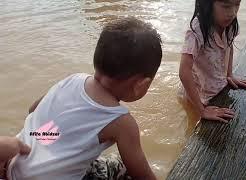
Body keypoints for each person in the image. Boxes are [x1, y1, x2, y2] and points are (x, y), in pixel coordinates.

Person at [2, 17, 162, 180]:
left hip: (12, 165)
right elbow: (142, 175)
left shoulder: (73, 79)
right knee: (120, 166)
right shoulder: (122, 123)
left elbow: (32, 109)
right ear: (141, 85)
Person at [179, 0, 246, 123]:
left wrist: (229, 75)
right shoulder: (198, 30)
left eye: (237, 5)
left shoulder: (229, 24)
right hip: (198, 98)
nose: (233, 13)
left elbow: (229, 46)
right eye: (226, 6)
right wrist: (202, 110)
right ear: (208, 4)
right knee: (194, 126)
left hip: (218, 88)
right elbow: (184, 71)